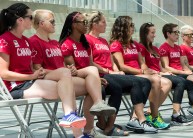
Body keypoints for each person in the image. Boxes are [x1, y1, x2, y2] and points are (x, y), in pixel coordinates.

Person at [0, 3, 86, 136]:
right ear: (20, 20)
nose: (33, 19)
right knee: (67, 90)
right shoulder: (4, 39)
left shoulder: (26, 41)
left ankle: (70, 117)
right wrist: (31, 76)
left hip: (31, 81)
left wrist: (37, 73)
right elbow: (3, 74)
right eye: (30, 17)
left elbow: (29, 68)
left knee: (65, 74)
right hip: (15, 87)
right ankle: (77, 132)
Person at [29, 9, 115, 137]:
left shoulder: (54, 43)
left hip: (64, 76)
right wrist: (63, 72)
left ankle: (94, 115)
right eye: (52, 21)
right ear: (41, 23)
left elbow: (62, 65)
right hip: (50, 79)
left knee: (92, 73)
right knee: (92, 87)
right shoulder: (34, 41)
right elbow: (37, 69)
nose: (55, 24)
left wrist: (70, 70)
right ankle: (85, 132)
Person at [85, 11, 155, 135]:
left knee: (144, 82)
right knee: (120, 87)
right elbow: (90, 63)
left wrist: (117, 71)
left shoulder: (103, 41)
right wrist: (109, 71)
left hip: (112, 74)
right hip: (100, 75)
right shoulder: (87, 39)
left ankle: (132, 120)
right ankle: (138, 121)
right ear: (94, 24)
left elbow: (111, 61)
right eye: (103, 22)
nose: (106, 25)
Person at [110, 16, 172, 130]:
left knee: (167, 82)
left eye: (133, 25)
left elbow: (142, 62)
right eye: (131, 25)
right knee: (156, 80)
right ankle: (154, 117)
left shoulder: (134, 44)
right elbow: (122, 66)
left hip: (139, 73)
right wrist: (142, 71)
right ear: (123, 28)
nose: (133, 28)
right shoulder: (116, 44)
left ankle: (146, 115)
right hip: (128, 75)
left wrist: (147, 70)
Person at [138, 22, 193, 125]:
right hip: (150, 76)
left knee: (182, 81)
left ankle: (151, 113)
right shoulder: (141, 48)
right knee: (180, 82)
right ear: (145, 34)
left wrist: (166, 72)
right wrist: (159, 73)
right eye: (152, 32)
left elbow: (161, 67)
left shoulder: (155, 49)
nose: (155, 35)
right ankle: (169, 114)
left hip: (160, 74)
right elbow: (144, 66)